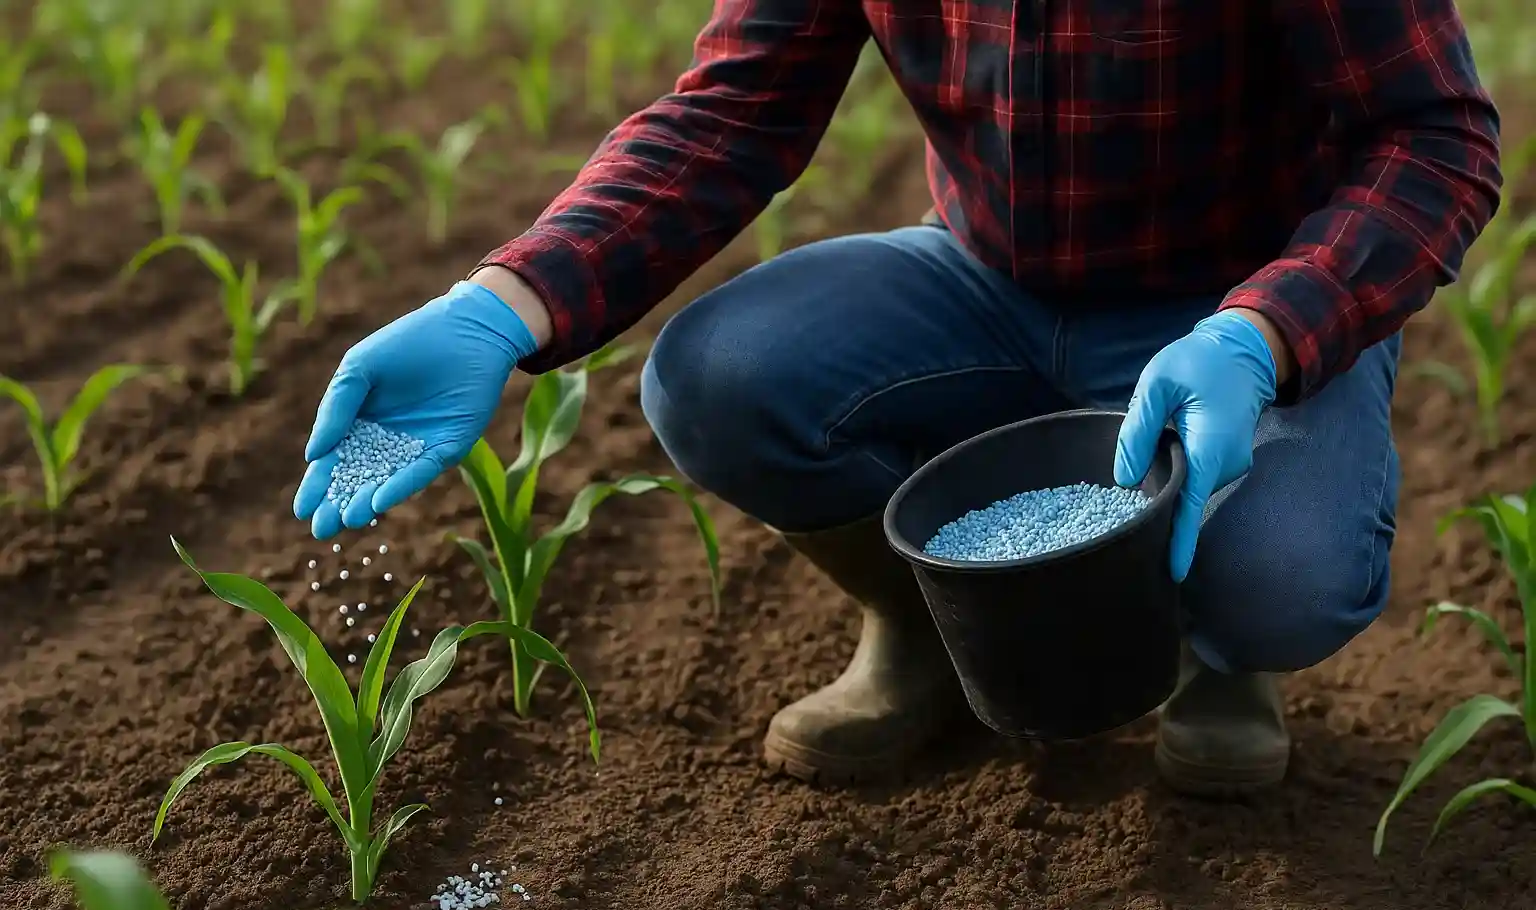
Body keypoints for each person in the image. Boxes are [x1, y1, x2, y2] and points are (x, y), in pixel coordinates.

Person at [295, 1, 1502, 797]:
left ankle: (1221, 656)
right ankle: (927, 623)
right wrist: (503, 304)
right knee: (720, 378)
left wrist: (1266, 329)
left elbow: (1436, 134)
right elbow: (736, 106)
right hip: (981, 282)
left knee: (1285, 568)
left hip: (1235, 308)